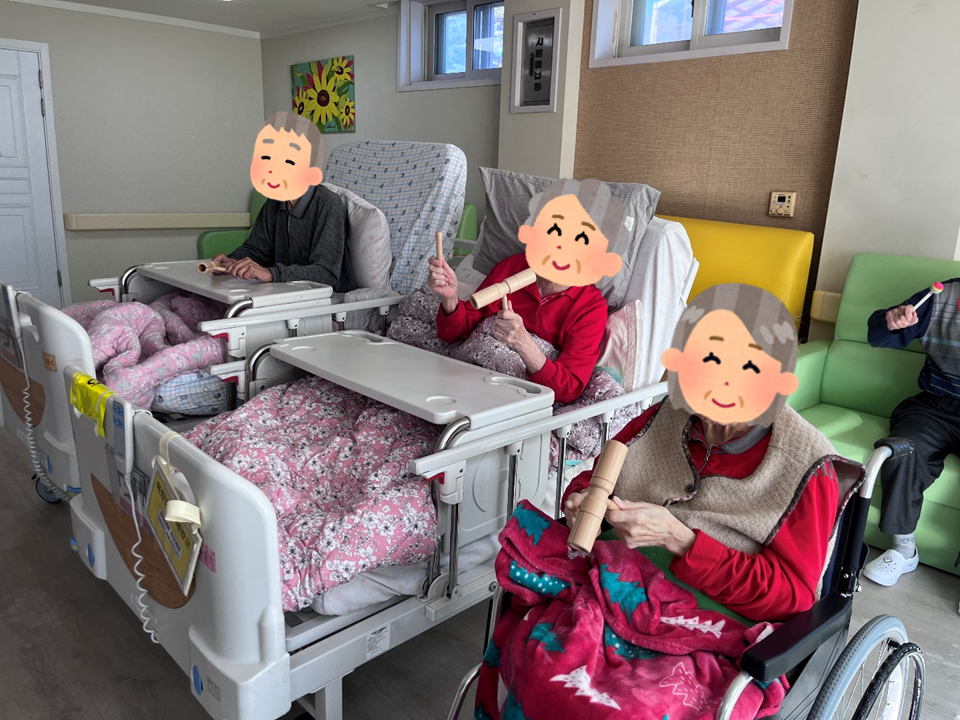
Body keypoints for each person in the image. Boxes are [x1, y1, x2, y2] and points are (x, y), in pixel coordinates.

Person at [473, 284, 862, 719]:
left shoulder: (807, 466)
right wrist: (581, 497)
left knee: (618, 709)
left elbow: (793, 598)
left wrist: (682, 541)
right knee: (536, 663)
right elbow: (598, 475)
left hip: (714, 624)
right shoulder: (667, 413)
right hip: (617, 586)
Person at [426, 179, 624, 404]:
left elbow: (568, 388)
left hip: (519, 400)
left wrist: (523, 342)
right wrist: (450, 299)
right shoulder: (511, 268)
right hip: (467, 380)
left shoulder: (590, 307)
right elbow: (454, 335)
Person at [862, 277, 960, 586]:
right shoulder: (941, 295)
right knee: (903, 449)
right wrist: (890, 322)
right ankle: (904, 548)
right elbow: (880, 334)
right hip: (935, 405)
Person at [212, 111, 357, 293]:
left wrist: (272, 274)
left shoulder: (328, 205)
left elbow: (326, 273)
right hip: (284, 292)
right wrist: (233, 261)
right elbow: (257, 250)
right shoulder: (274, 202)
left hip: (324, 297)